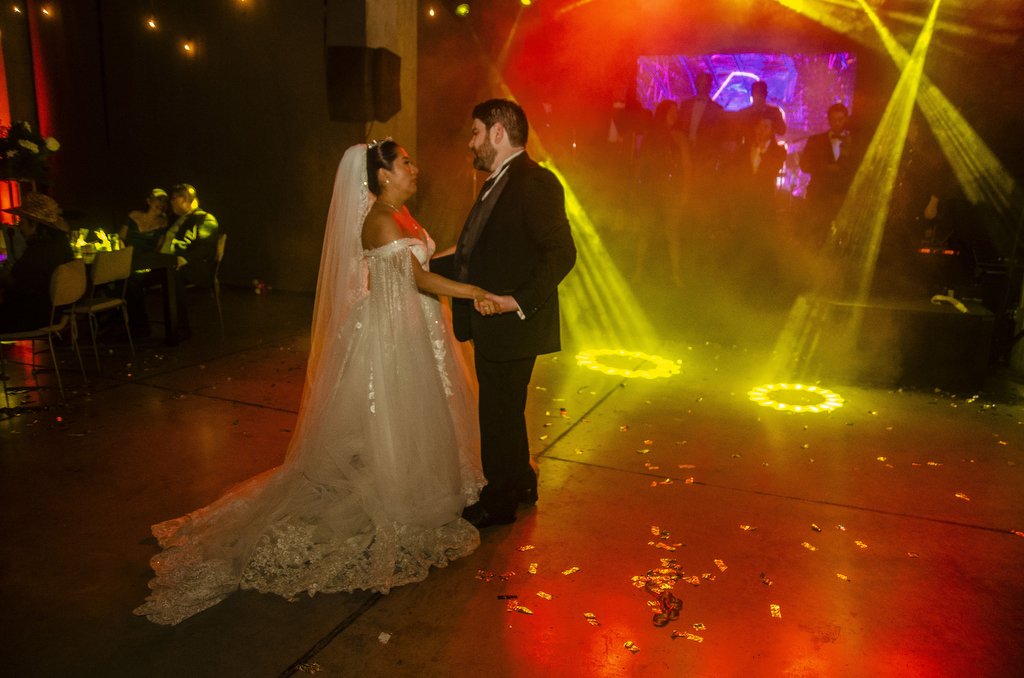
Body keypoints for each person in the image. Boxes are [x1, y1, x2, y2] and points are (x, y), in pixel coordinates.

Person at [134, 142, 495, 625]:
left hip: (417, 328)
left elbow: (428, 261)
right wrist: (474, 291)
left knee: (418, 415)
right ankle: (399, 492)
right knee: (392, 415)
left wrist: (467, 251)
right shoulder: (379, 221)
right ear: (383, 175)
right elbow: (419, 280)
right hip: (391, 334)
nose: (414, 168)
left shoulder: (401, 213)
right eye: (405, 162)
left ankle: (417, 478)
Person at [433, 99, 577, 529]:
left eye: (476, 132)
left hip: (513, 324)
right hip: (496, 324)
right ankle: (521, 483)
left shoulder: (536, 181)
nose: (471, 142)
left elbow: (562, 253)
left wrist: (516, 302)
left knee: (497, 412)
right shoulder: (498, 181)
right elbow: (477, 252)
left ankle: (498, 502)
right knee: (507, 409)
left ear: (498, 132)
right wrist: (420, 265)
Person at [0, 192, 74, 332]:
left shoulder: (38, 252)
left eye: (21, 222)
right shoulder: (59, 246)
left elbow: (26, 290)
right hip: (53, 314)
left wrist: (6, 277)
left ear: (34, 224)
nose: (19, 228)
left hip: (29, 317)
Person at [635, 99, 690, 286]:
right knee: (645, 231)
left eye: (676, 112)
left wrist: (684, 192)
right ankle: (638, 271)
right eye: (670, 111)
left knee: (672, 233)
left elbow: (687, 167)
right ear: (662, 113)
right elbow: (642, 162)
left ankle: (675, 275)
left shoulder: (679, 137)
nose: (674, 115)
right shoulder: (651, 136)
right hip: (652, 189)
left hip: (671, 189)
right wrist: (637, 186)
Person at [800, 103, 860, 244]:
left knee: (839, 238)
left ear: (846, 119)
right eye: (834, 119)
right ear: (828, 119)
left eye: (840, 119)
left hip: (842, 198)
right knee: (812, 238)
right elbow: (804, 166)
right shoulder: (815, 141)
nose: (837, 123)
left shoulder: (855, 143)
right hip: (818, 198)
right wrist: (826, 168)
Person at [119, 188, 169, 254]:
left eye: (165, 201)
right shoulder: (134, 216)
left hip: (148, 258)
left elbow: (159, 247)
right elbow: (121, 238)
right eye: (159, 199)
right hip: (127, 255)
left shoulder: (164, 223)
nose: (162, 203)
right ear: (149, 201)